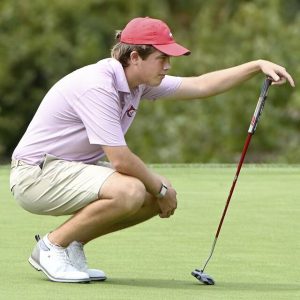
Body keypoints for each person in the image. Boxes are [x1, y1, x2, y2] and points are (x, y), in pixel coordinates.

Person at [10, 17, 295, 283]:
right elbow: (120, 159)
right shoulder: (98, 85)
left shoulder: (137, 83)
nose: (168, 65)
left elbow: (201, 85)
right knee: (135, 190)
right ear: (135, 57)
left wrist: (256, 65)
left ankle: (71, 244)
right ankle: (51, 247)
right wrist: (160, 188)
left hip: (68, 169)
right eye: (162, 58)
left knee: (151, 193)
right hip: (35, 176)